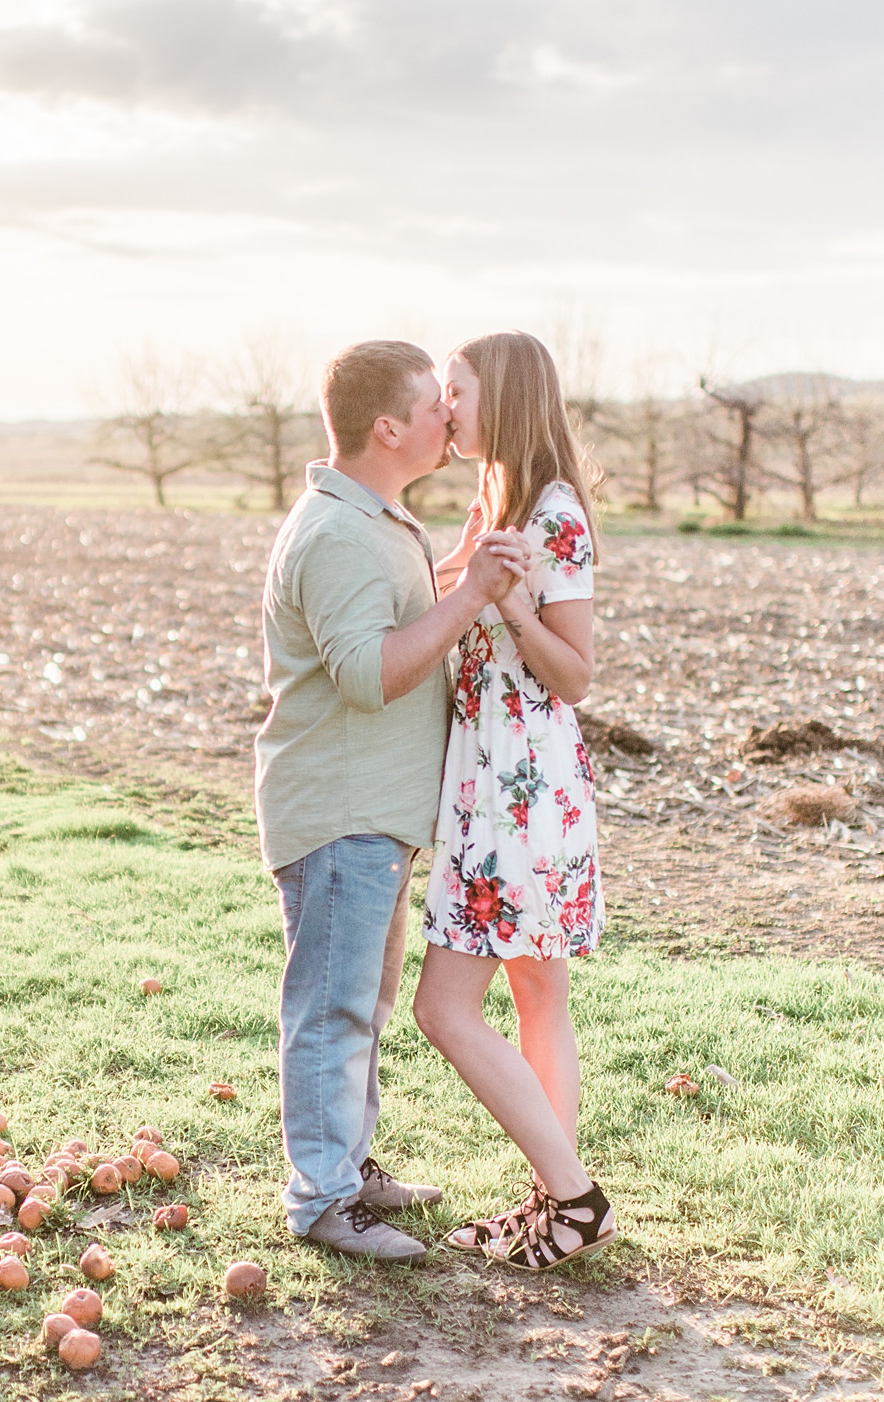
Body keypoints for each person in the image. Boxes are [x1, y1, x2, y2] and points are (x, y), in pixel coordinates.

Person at [255, 339, 531, 1263]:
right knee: (331, 1008)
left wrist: (450, 573)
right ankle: (322, 1199)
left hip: (370, 813)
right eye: (432, 406)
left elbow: (388, 621)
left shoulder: (372, 519)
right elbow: (371, 672)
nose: (448, 417)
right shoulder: (337, 532)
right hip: (341, 811)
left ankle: (348, 1166)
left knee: (358, 1004)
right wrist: (474, 595)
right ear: (388, 427)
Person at [412, 330, 616, 1271]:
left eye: (456, 388)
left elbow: (575, 675)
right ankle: (554, 1205)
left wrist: (518, 608)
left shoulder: (554, 514)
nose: (445, 405)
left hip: (517, 790)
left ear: (505, 397)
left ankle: (575, 1199)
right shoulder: (496, 499)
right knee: (539, 996)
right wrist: (458, 564)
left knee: (445, 1010)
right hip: (498, 780)